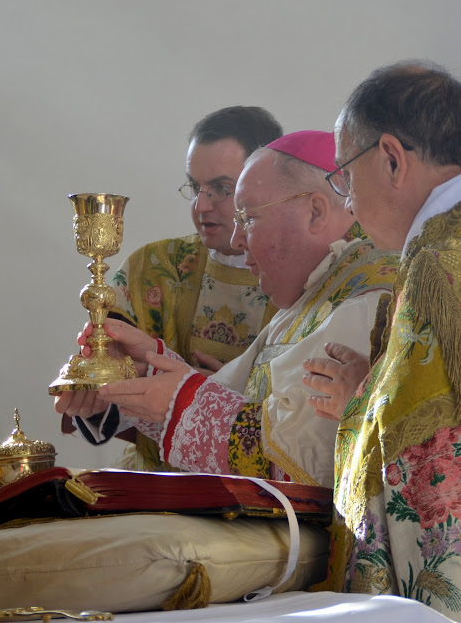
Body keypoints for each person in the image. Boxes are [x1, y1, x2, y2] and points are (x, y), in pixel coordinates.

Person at [56, 130, 398, 488]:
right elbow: (239, 396)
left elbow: (305, 461)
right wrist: (148, 367)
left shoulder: (365, 302)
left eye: (247, 218)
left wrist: (179, 402)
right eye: (195, 187)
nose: (236, 239)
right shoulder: (318, 288)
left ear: (315, 212)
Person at [304, 62, 461, 620]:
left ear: (392, 158)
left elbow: (429, 451)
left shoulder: (438, 264)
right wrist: (372, 390)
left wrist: (361, 404)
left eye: (345, 175)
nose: (347, 202)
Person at [62, 106, 283, 471]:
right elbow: (112, 389)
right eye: (195, 187)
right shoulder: (153, 268)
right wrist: (98, 395)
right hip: (159, 480)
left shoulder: (303, 272)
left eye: (221, 189)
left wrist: (217, 396)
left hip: (263, 489)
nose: (201, 205)